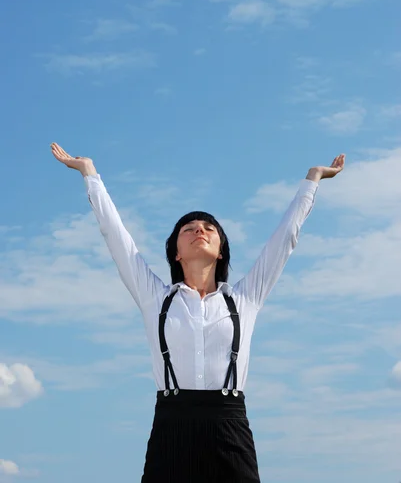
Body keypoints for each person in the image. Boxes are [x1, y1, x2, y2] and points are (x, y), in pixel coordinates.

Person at [50, 142, 345, 483]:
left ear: (221, 251)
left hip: (230, 423)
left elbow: (285, 238)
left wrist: (313, 180)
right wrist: (90, 174)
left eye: (208, 228)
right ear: (175, 252)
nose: (199, 231)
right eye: (188, 229)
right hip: (172, 423)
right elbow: (116, 237)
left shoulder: (245, 298)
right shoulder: (156, 299)